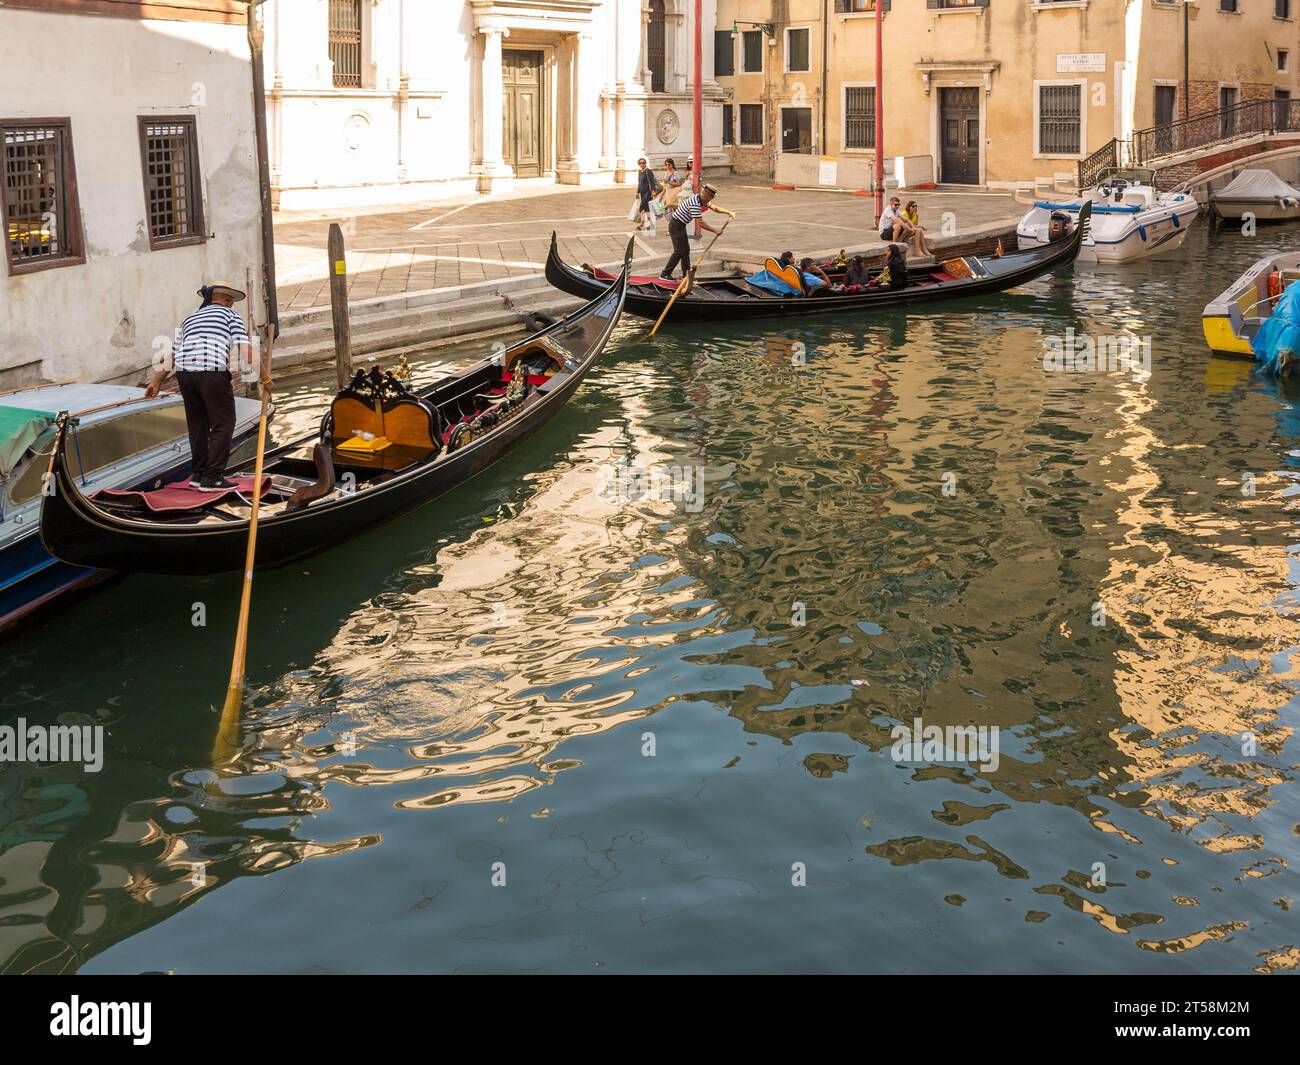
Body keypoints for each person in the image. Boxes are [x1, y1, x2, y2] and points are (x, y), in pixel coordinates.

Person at [146, 282, 254, 491]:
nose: (231, 305)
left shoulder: (190, 318)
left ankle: (198, 474)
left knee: (198, 424)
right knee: (223, 423)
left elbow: (174, 355)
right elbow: (245, 348)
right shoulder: (229, 315)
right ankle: (213, 477)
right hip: (211, 371)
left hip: (185, 375)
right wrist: (266, 378)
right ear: (227, 301)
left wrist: (155, 382)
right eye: (230, 301)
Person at [661, 183, 735, 280]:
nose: (711, 199)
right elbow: (700, 223)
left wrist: (728, 212)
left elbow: (714, 208)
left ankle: (686, 276)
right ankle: (665, 274)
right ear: (707, 195)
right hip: (676, 225)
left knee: (686, 251)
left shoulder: (701, 200)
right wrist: (715, 230)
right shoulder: (695, 203)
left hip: (681, 225)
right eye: (711, 197)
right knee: (679, 251)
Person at [633, 157, 660, 231]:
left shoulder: (648, 171)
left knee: (643, 208)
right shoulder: (640, 172)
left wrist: (653, 191)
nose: (642, 164)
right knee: (645, 209)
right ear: (639, 164)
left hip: (648, 193)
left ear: (645, 163)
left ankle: (643, 224)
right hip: (642, 192)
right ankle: (646, 224)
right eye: (640, 163)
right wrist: (637, 192)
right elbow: (639, 183)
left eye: (643, 163)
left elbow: (651, 182)